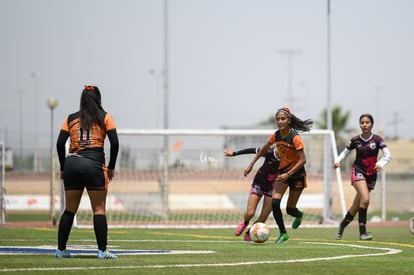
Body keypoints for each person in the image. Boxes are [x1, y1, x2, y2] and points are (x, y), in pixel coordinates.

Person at [55, 85, 119, 259]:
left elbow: (60, 144)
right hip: (94, 165)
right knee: (99, 209)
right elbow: (114, 142)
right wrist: (111, 166)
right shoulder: (105, 117)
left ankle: (60, 250)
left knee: (69, 210)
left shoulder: (70, 118)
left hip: (72, 165)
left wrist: (62, 168)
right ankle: (102, 251)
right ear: (98, 100)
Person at [244, 107, 312, 244]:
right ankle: (283, 233)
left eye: (283, 119)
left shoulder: (295, 137)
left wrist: (289, 173)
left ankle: (298, 214)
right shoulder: (276, 135)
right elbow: (263, 148)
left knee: (290, 209)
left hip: (297, 174)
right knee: (275, 203)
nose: (280, 121)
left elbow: (303, 160)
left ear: (289, 120)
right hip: (283, 173)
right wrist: (251, 164)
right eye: (278, 119)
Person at [333, 113, 391, 241]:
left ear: (372, 124)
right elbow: (345, 152)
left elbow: (387, 155)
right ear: (360, 124)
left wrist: (380, 164)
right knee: (365, 199)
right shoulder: (355, 140)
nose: (364, 125)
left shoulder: (377, 139)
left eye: (367, 122)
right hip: (358, 171)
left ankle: (342, 226)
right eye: (362, 122)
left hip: (371, 174)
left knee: (356, 206)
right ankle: (362, 233)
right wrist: (338, 160)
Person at [224, 146, 280, 241]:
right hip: (259, 183)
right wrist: (234, 153)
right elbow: (252, 150)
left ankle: (249, 233)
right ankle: (245, 222)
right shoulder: (270, 151)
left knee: (263, 216)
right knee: (250, 212)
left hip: (274, 187)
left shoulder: (289, 158)